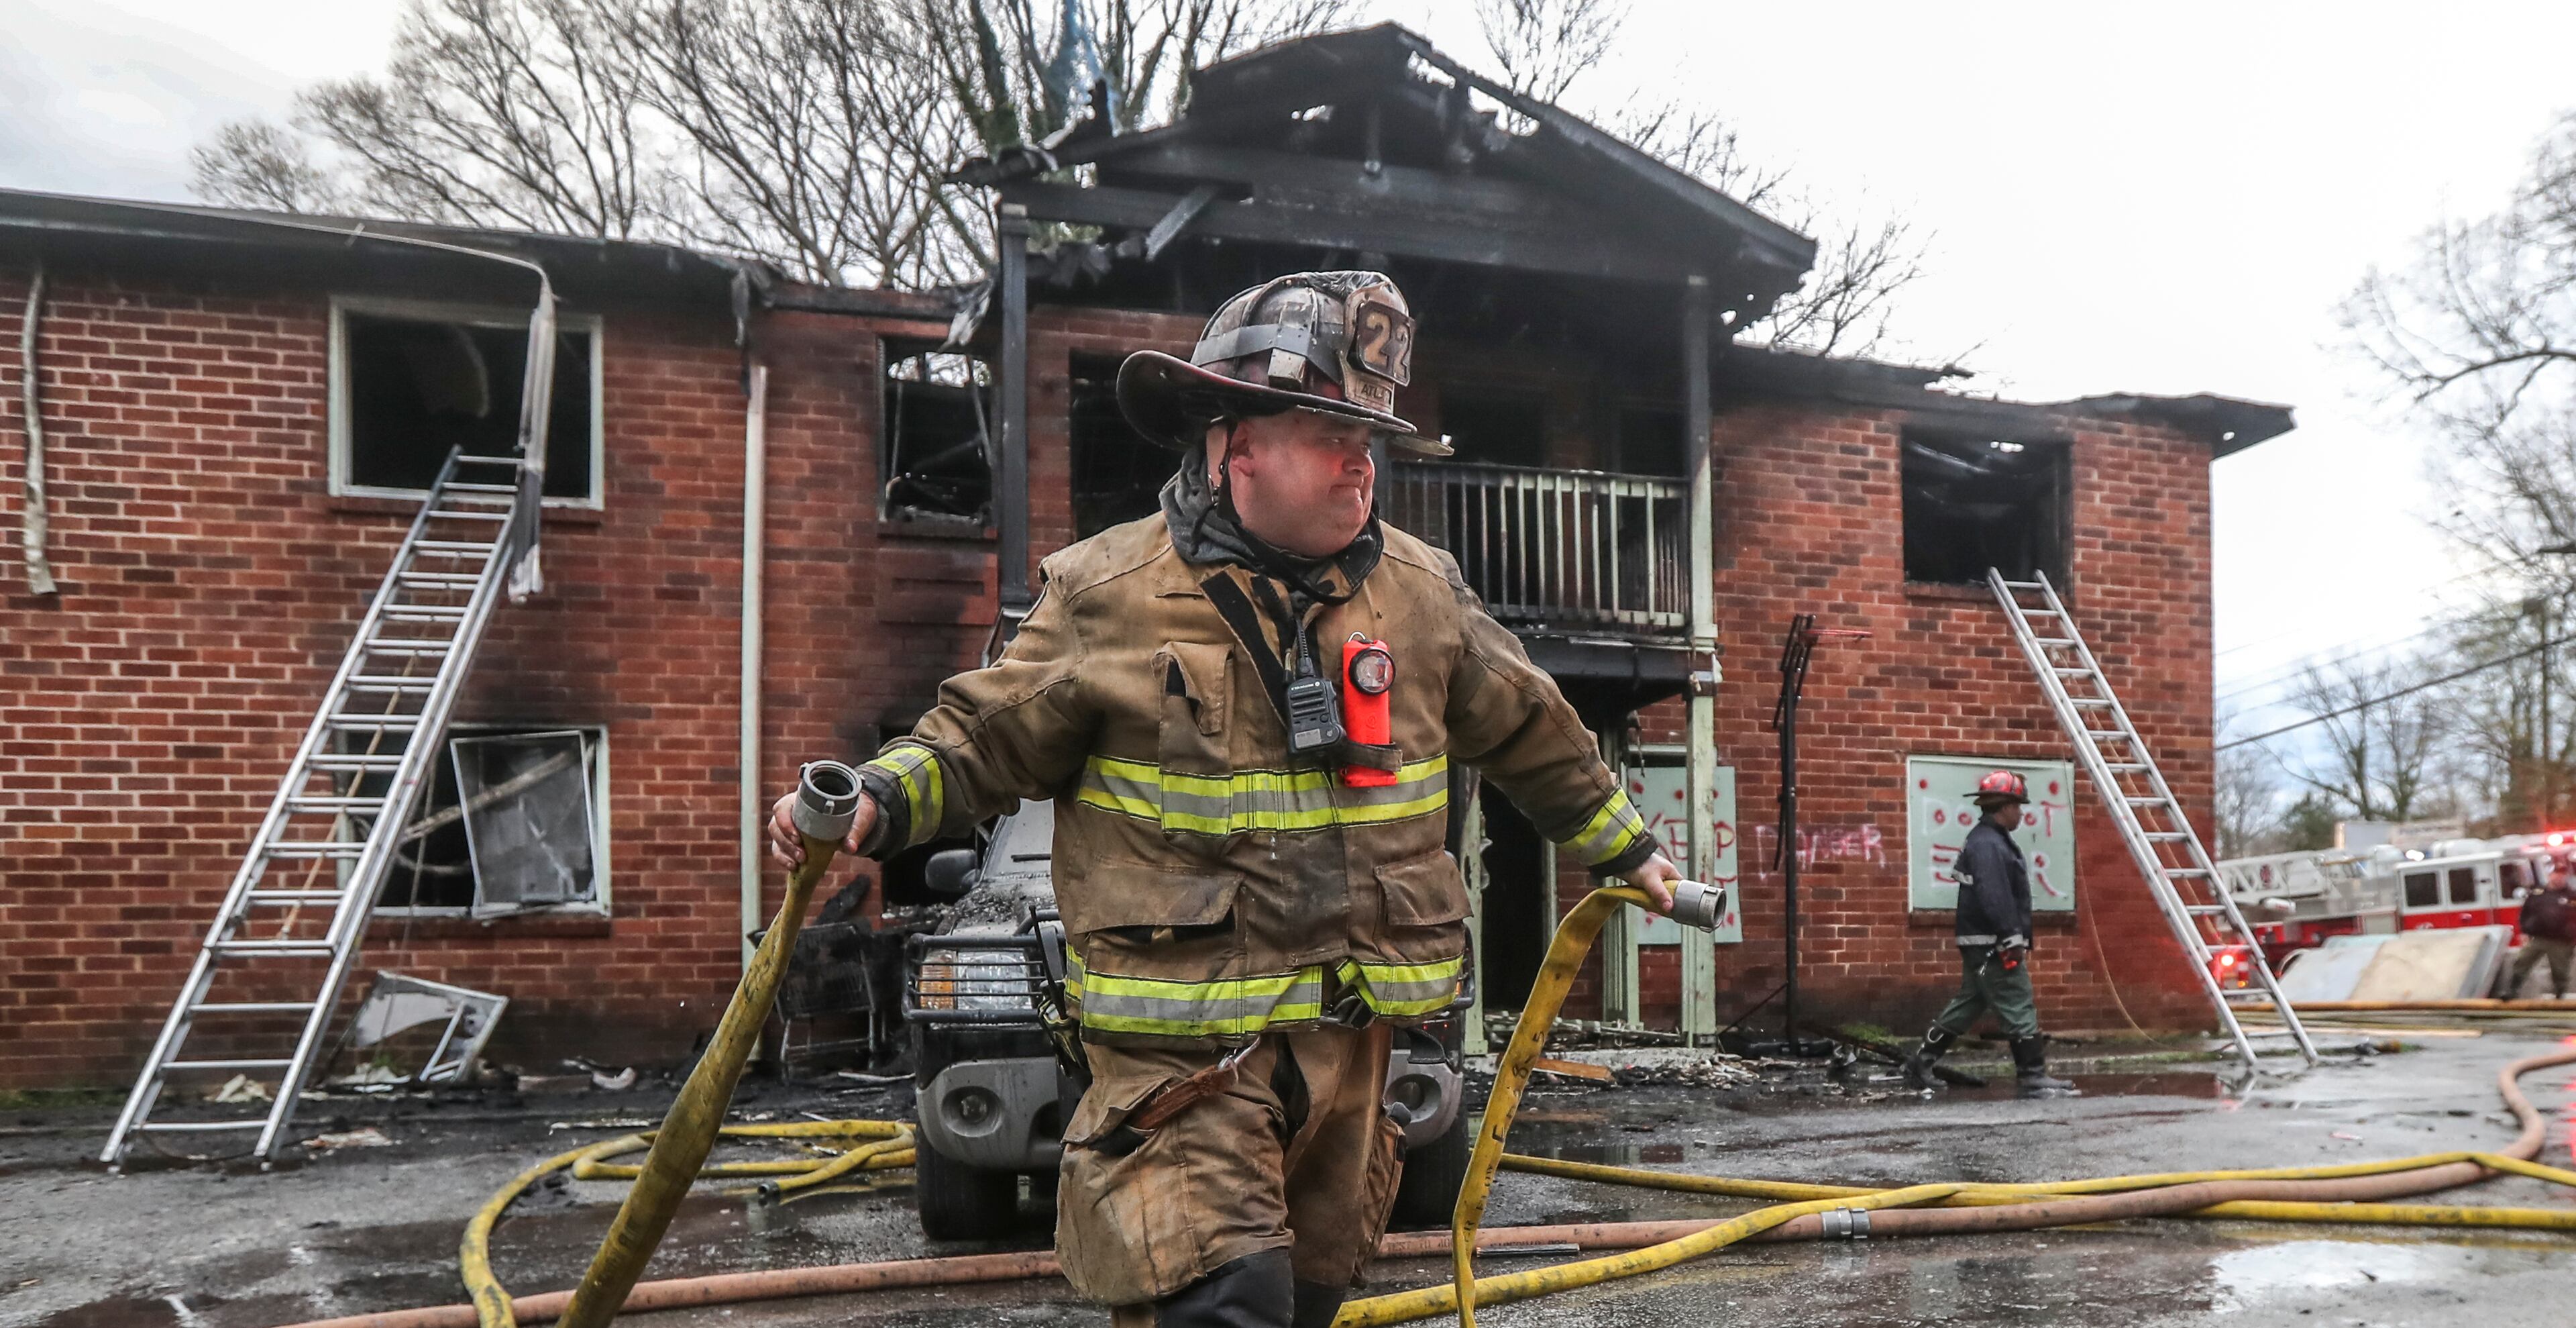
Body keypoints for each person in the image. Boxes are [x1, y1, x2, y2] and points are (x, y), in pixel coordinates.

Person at [768, 270, 1683, 1328]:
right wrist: (874, 797)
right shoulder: (1106, 598)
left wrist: (1628, 851)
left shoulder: (1422, 597)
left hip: (1353, 1055)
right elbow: (976, 736)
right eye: (1327, 430)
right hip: (1184, 1064)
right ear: (1234, 443)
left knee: (1304, 1299)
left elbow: (1533, 725)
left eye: (1370, 435)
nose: (1361, 460)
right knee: (1227, 1297)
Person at [1901, 770, 2076, 1097]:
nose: (2022, 813)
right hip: (1993, 945)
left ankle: (1922, 1062)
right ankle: (2032, 1075)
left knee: (1971, 1001)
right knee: (2017, 999)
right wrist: (2010, 937)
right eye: (2018, 806)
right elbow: (1994, 894)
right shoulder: (1990, 844)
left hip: (1980, 943)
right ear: (2004, 807)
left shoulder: (1987, 840)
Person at [2508, 868, 2575, 999]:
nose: (2559, 878)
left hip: (2561, 941)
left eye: (2562, 875)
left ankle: (2560, 996)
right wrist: (2525, 931)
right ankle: (2512, 991)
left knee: (2560, 971)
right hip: (2538, 938)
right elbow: (2526, 912)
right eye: (2556, 875)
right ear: (2550, 876)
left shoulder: (2571, 896)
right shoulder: (2538, 893)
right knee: (2522, 961)